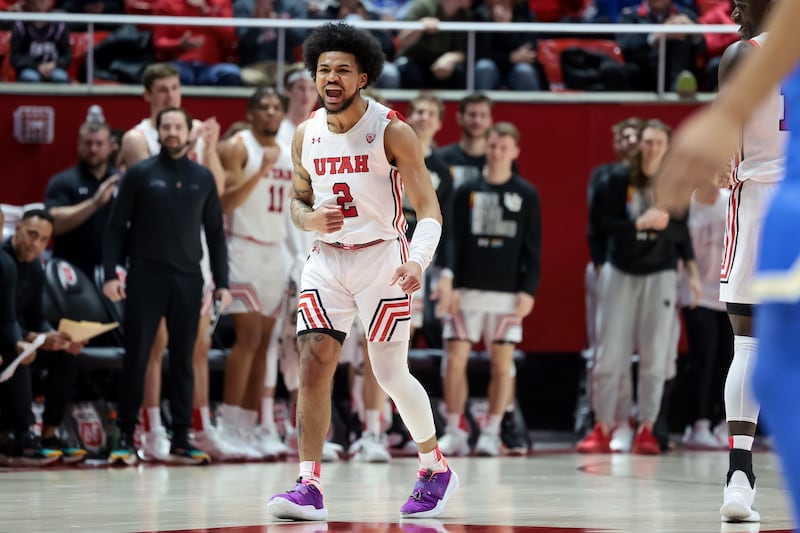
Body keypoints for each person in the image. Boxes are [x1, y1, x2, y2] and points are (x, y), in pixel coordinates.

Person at [267, 22, 458, 521]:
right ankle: (308, 483)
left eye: (342, 70)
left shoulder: (392, 130)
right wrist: (308, 219)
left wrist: (417, 259)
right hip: (327, 260)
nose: (330, 78)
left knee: (390, 372)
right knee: (314, 360)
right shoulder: (305, 134)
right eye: (323, 69)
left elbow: (430, 210)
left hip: (383, 259)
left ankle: (434, 466)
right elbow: (297, 202)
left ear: (363, 77)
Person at [658, 0, 794, 522]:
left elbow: (722, 151)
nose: (734, 4)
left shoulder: (742, 56)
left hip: (764, 205)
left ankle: (740, 476)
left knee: (750, 340)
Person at [102, 106, 231, 466]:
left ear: (189, 132)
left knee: (185, 362)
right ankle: (125, 438)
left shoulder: (202, 177)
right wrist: (111, 274)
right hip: (145, 277)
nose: (172, 132)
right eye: (166, 127)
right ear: (158, 132)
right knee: (137, 359)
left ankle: (181, 439)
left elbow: (216, 235)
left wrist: (222, 282)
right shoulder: (139, 174)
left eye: (178, 126)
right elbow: (115, 228)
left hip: (189, 280)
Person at [578, 120, 699, 455]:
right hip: (621, 271)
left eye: (659, 142)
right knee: (609, 356)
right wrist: (638, 225)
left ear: (668, 146)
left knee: (655, 356)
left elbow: (681, 234)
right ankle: (603, 426)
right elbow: (602, 226)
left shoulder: (674, 183)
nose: (652, 148)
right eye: (648, 142)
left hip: (659, 274)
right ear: (640, 145)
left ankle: (646, 427)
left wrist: (693, 273)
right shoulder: (616, 180)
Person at [436, 122, 541, 457]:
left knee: (502, 364)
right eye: (492, 146)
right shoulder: (466, 191)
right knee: (454, 361)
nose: (495, 152)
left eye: (502, 147)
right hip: (466, 291)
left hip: (507, 294)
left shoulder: (526, 193)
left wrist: (529, 289)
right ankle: (454, 429)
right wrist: (449, 278)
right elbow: (452, 239)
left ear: (515, 152)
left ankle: (491, 431)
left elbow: (533, 246)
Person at [216, 86, 293, 459]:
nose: (269, 113)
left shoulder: (291, 150)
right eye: (262, 107)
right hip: (243, 247)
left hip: (276, 251)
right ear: (250, 113)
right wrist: (261, 169)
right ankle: (227, 423)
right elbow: (225, 202)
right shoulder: (238, 146)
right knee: (246, 339)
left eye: (275, 108)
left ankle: (247, 428)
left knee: (264, 344)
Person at [0, 209, 86, 464]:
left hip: (14, 335)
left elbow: (35, 316)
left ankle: (49, 433)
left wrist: (53, 336)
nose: (35, 244)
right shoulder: (4, 263)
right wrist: (29, 338)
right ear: (17, 230)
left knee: (65, 356)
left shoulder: (36, 269)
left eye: (43, 239)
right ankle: (22, 434)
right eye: (31, 234)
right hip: (7, 339)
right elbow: (5, 321)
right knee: (20, 350)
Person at [44, 121, 120, 278]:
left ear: (110, 146)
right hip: (71, 273)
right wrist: (94, 203)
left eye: (99, 143)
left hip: (115, 272)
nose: (93, 149)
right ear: (79, 145)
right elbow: (54, 224)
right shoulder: (63, 181)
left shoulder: (123, 181)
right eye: (88, 143)